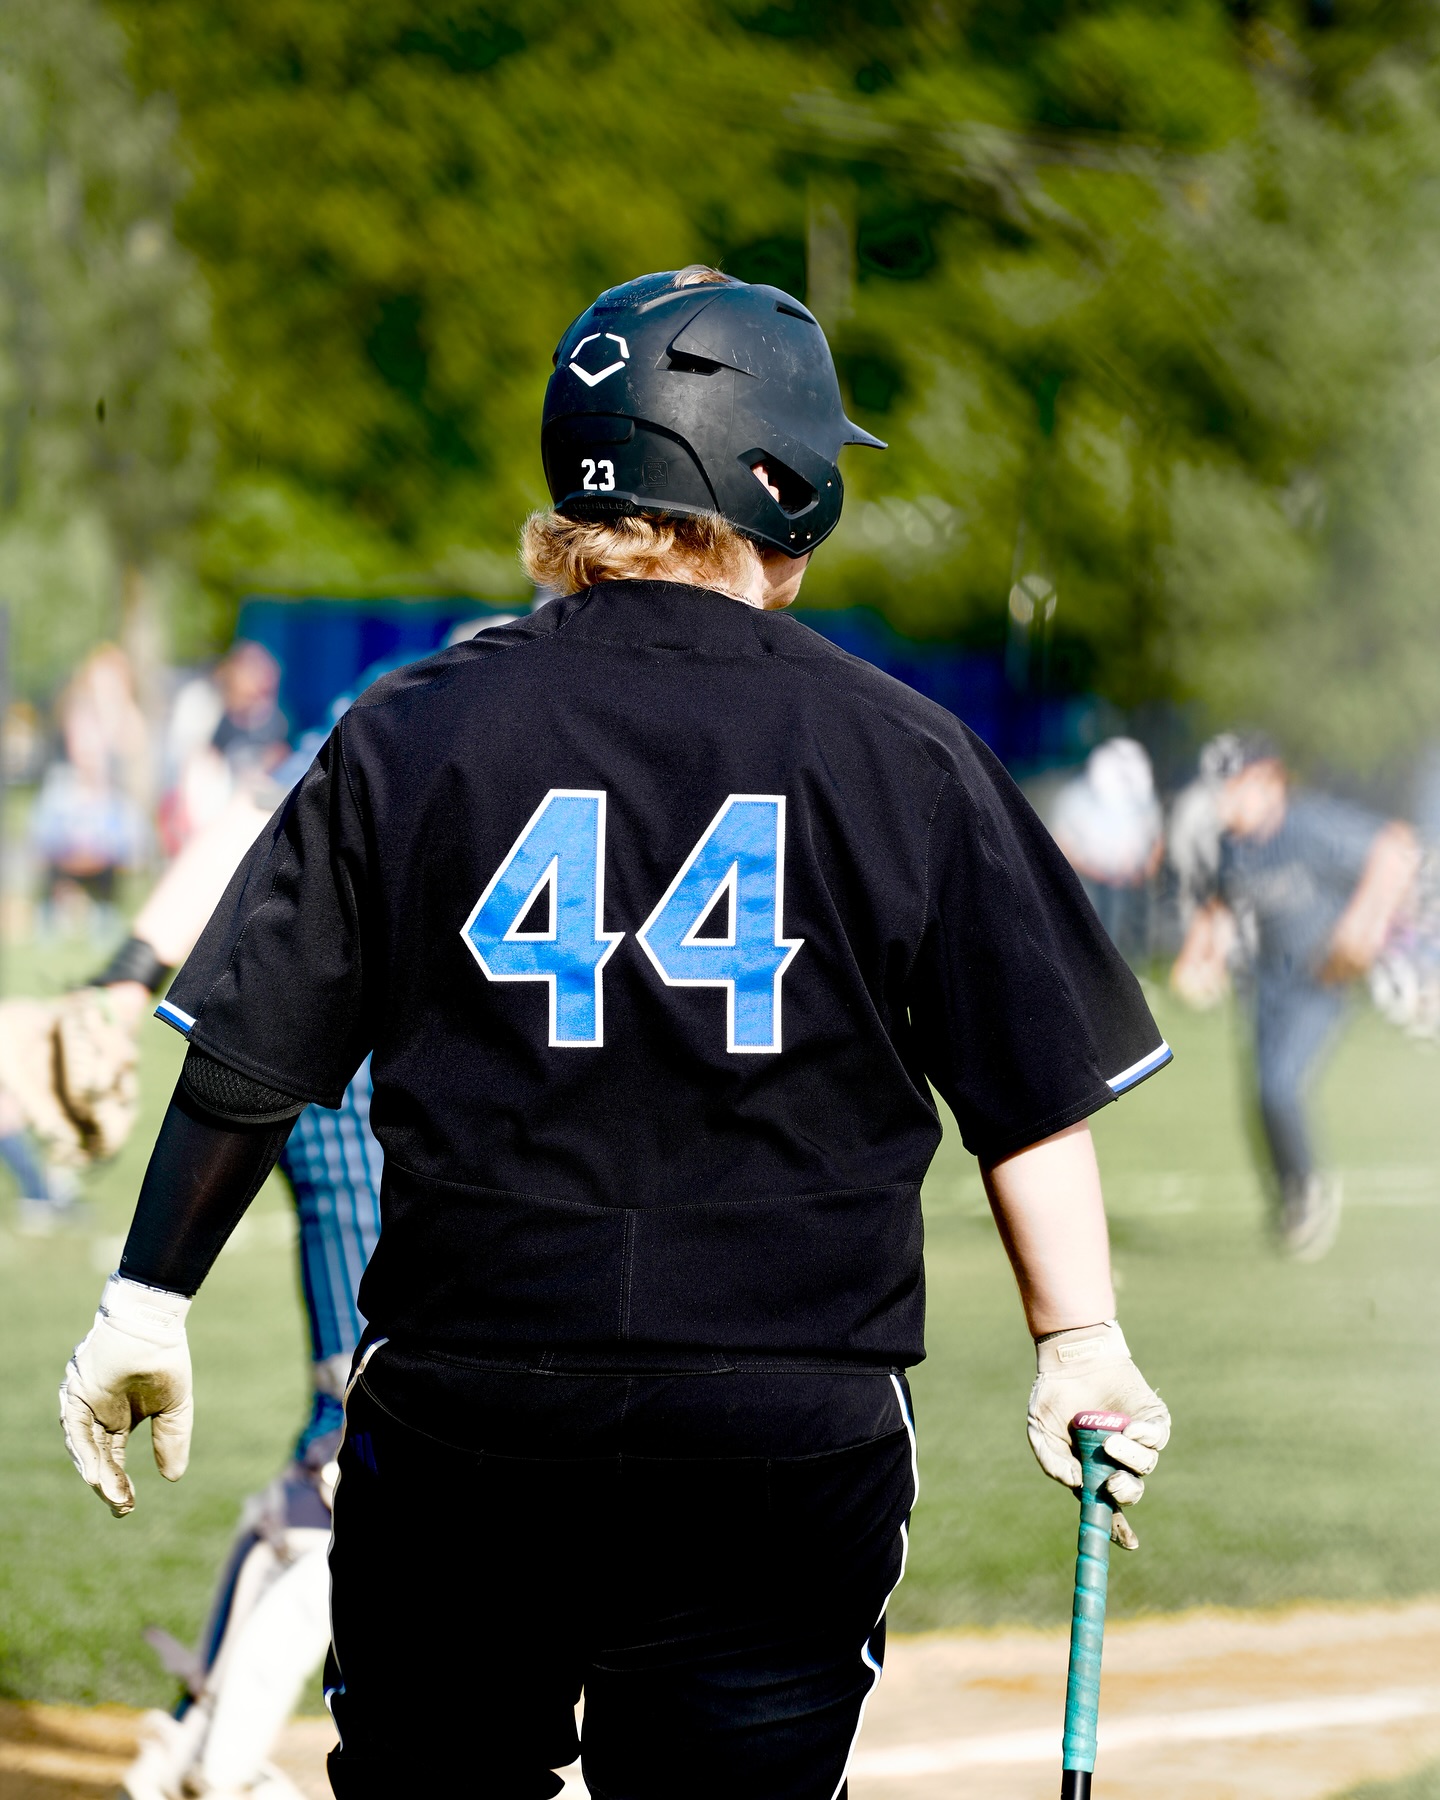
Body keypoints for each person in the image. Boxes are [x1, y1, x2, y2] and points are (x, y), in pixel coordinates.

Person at [60, 265, 1173, 1800]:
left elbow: (255, 1052)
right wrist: (1081, 1342)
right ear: (782, 481)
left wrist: (146, 1300)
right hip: (780, 1432)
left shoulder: (407, 725)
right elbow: (1027, 1091)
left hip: (467, 1419)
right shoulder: (903, 748)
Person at [1172, 735, 1419, 1259]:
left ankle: (1309, 1194)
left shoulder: (1307, 825)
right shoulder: (1232, 846)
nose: (1224, 801)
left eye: (1235, 787)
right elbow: (1219, 905)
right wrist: (1201, 960)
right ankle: (1293, 1196)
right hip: (1268, 986)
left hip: (1319, 981)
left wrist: (1362, 926)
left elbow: (1395, 849)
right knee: (1262, 1094)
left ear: (1269, 781)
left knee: (1280, 1086)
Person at [1049, 737, 1164, 961]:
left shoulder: (1141, 794)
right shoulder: (1076, 796)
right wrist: (1093, 870)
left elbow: (1156, 836)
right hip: (1089, 882)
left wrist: (1145, 870)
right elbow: (1061, 842)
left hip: (1132, 882)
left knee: (1129, 937)